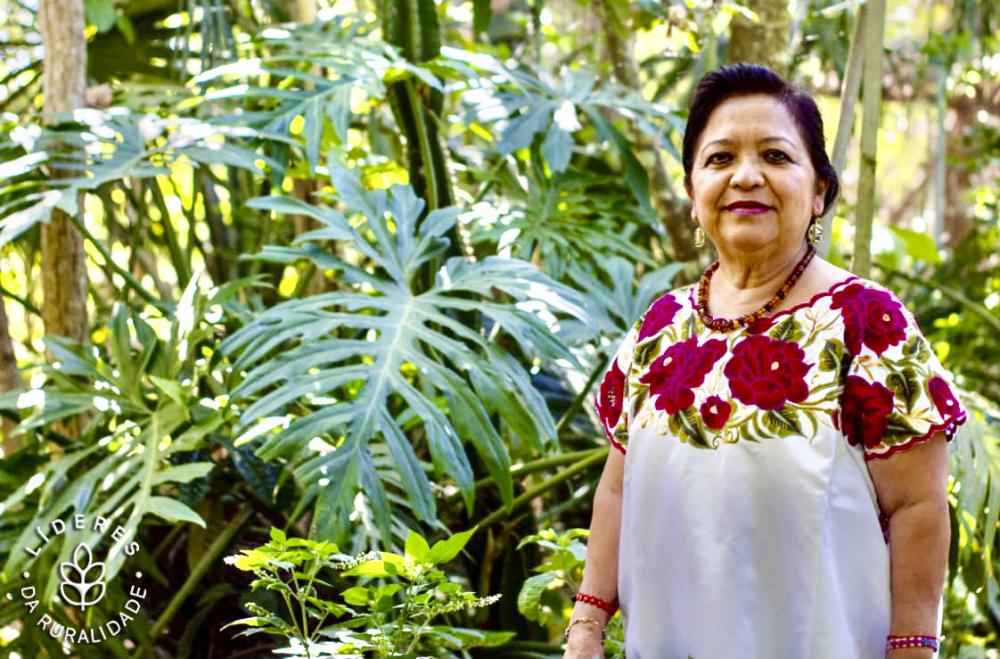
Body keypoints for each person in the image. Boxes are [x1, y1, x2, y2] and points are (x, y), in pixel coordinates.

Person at [564, 63, 968, 659]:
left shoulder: (866, 323)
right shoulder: (659, 326)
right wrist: (587, 627)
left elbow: (918, 507)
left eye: (776, 157)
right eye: (720, 159)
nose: (746, 176)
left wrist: (913, 649)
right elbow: (619, 489)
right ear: (692, 194)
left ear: (820, 192)